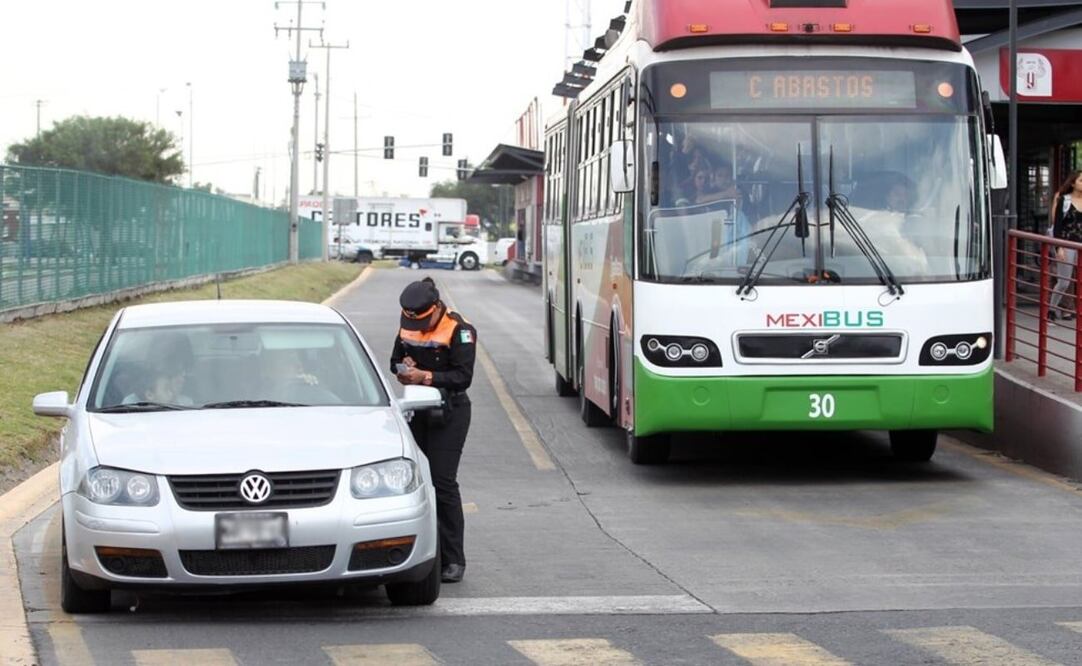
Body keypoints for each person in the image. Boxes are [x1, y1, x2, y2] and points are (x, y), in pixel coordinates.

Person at [390, 277, 477, 583]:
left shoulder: (459, 329)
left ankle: (454, 560)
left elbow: (462, 377)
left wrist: (424, 376)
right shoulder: (408, 324)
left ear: (436, 308)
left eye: (424, 319)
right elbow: (394, 361)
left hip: (450, 412)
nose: (417, 326)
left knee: (442, 481)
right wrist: (404, 370)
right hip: (417, 411)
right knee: (416, 482)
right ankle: (423, 554)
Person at [1049, 170, 1082, 321]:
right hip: (1067, 243)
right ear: (1073, 183)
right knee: (1064, 282)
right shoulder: (1064, 200)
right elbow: (1057, 226)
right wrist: (1059, 247)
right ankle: (1051, 310)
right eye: (1081, 181)